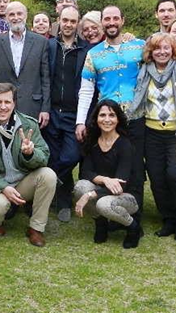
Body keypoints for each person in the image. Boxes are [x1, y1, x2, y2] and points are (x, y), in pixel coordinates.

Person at [76, 5, 146, 222]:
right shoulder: (93, 54)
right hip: (108, 119)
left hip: (135, 117)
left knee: (135, 166)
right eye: (107, 19)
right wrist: (80, 122)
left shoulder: (140, 46)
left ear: (123, 20)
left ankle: (134, 212)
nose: (112, 22)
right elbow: (86, 89)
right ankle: (105, 214)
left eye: (116, 18)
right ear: (102, 23)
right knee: (107, 164)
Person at [0, 83, 58, 247]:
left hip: (22, 184)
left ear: (14, 103)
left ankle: (36, 228)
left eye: (7, 102)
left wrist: (30, 154)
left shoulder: (29, 125)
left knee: (49, 175)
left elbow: (44, 156)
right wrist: (3, 187)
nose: (3, 107)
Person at [131, 33, 176, 242]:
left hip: (175, 132)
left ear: (173, 51)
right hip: (151, 131)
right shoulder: (144, 70)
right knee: (157, 178)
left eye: (166, 48)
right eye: (157, 48)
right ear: (150, 52)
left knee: (175, 175)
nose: (162, 52)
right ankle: (168, 219)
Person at [73, 99, 142, 248]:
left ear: (118, 119)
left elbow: (120, 185)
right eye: (102, 115)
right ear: (96, 118)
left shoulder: (125, 144)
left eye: (112, 115)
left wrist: (90, 195)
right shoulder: (93, 141)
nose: (107, 120)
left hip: (127, 195)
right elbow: (85, 172)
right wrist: (105, 180)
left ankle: (133, 227)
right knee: (80, 187)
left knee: (102, 204)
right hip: (105, 189)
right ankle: (101, 223)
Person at [44, 5, 88, 222]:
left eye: (73, 21)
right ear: (58, 21)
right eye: (65, 20)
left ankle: (54, 184)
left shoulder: (85, 49)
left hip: (74, 113)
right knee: (53, 156)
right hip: (52, 111)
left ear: (77, 23)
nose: (69, 25)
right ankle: (62, 202)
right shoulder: (49, 46)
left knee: (70, 156)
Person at [0, 1, 50, 127]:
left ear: (26, 16)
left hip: (32, 106)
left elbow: (45, 78)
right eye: (11, 14)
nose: (16, 17)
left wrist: (45, 108)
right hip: (3, 106)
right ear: (6, 17)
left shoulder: (41, 42)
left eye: (19, 13)